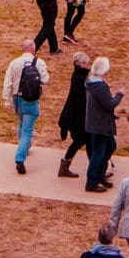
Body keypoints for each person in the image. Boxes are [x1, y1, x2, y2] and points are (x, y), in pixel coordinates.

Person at [3, 37, 48, 174]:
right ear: (33, 48)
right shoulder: (39, 62)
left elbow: (8, 82)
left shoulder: (14, 63)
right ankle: (20, 158)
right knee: (27, 130)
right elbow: (45, 80)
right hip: (31, 100)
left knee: (22, 123)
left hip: (17, 98)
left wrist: (7, 100)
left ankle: (24, 147)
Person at [83, 58, 122, 192]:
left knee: (110, 146)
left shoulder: (91, 82)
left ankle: (99, 175)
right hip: (100, 125)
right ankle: (91, 182)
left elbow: (100, 105)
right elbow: (109, 104)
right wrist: (119, 95)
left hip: (96, 122)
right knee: (98, 154)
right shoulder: (99, 86)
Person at [57, 51, 93, 179]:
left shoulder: (78, 76)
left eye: (88, 63)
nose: (87, 65)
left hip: (77, 117)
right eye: (84, 63)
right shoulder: (81, 78)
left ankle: (95, 169)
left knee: (85, 142)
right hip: (78, 118)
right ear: (78, 64)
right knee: (81, 142)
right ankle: (94, 170)